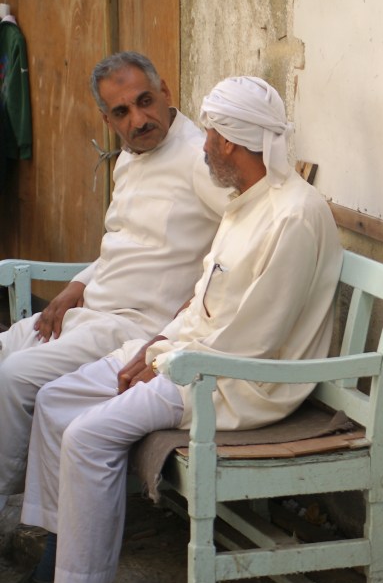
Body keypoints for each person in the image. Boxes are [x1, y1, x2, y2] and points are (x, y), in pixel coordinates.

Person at [0, 76, 344, 583]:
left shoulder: (295, 216)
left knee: (87, 435)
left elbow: (253, 338)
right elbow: (205, 302)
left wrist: (162, 356)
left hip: (236, 384)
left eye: (210, 134)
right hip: (188, 355)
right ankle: (52, 565)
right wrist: (161, 342)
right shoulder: (247, 204)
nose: (202, 144)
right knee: (57, 399)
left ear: (231, 141)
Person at [0, 52, 227, 513]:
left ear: (166, 92)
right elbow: (122, 240)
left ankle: (8, 504)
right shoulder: (129, 156)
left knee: (15, 378)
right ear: (107, 119)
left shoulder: (198, 160)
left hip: (135, 328)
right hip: (92, 310)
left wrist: (192, 310)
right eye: (121, 112)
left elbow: (241, 244)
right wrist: (76, 284)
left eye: (145, 101)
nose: (139, 120)